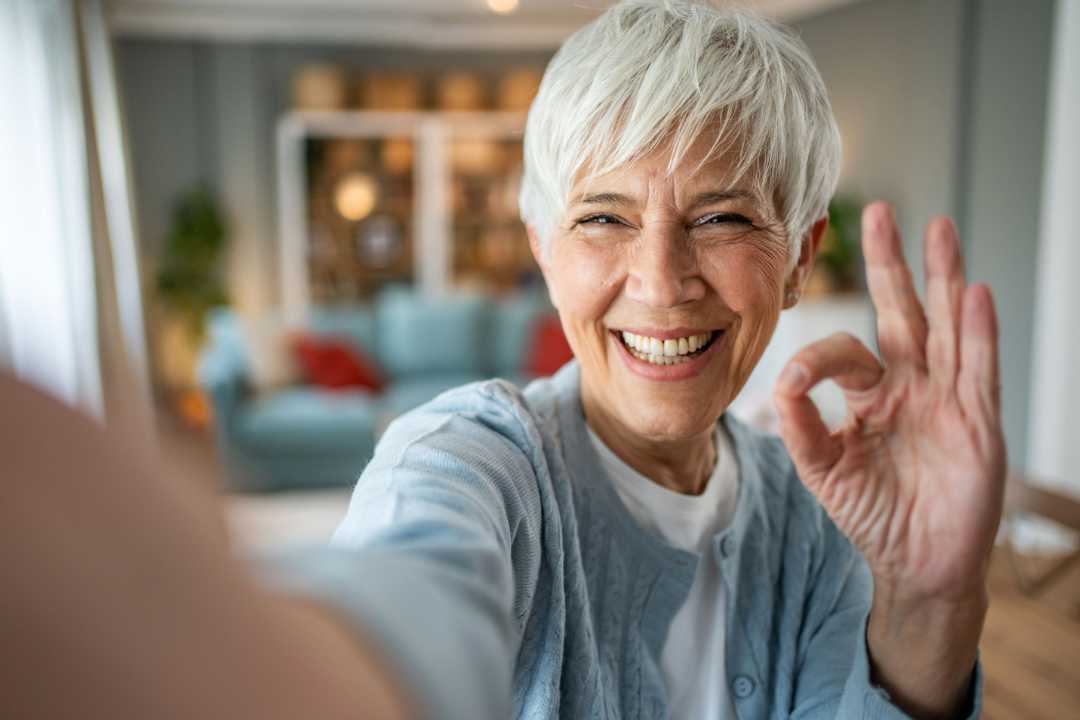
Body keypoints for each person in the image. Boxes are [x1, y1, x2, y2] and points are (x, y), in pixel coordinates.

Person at [1, 1, 1004, 718]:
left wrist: (931, 599)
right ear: (543, 251)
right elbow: (413, 587)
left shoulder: (828, 507)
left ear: (799, 260)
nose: (661, 280)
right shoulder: (476, 458)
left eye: (723, 217)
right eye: (603, 217)